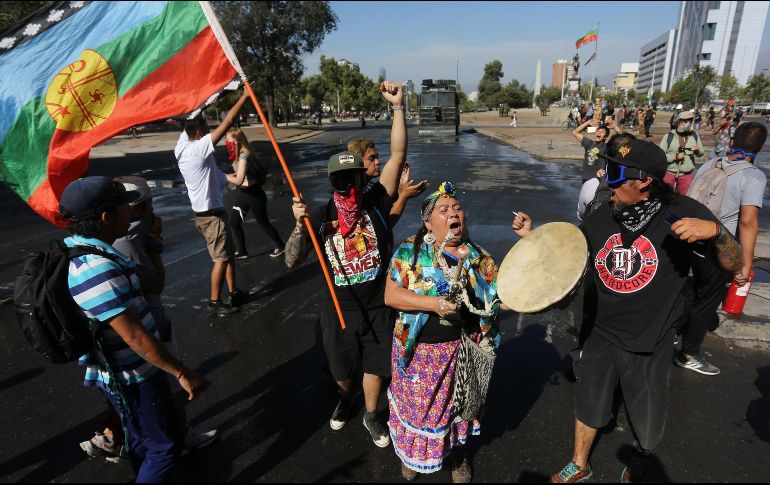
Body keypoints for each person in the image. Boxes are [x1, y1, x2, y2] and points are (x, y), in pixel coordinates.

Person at [544, 139, 743, 483]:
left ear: (645, 180)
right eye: (607, 167)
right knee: (589, 401)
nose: (608, 177)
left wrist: (716, 232)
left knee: (646, 416)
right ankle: (579, 463)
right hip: (600, 331)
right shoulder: (602, 212)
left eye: (617, 172)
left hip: (651, 336)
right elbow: (573, 262)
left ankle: (640, 457)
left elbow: (735, 262)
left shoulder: (684, 212)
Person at [59, 176, 208, 483]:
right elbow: (136, 337)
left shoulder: (92, 251)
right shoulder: (97, 268)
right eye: (124, 208)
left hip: (124, 374)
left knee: (141, 440)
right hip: (134, 378)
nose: (132, 212)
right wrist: (181, 372)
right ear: (105, 217)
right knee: (166, 447)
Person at [285, 80, 407, 448]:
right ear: (332, 182)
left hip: (377, 304)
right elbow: (292, 260)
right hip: (337, 308)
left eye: (352, 177)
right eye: (339, 179)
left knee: (375, 365)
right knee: (341, 371)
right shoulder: (319, 217)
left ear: (359, 177)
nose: (347, 184)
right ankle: (344, 398)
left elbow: (397, 156)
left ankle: (371, 414)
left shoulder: (375, 200)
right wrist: (297, 225)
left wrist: (398, 108)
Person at [384, 181, 513, 482]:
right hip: (419, 354)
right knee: (418, 409)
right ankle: (413, 454)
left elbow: (499, 299)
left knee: (458, 409)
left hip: (461, 352)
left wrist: (529, 255)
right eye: (443, 210)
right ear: (429, 223)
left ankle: (456, 455)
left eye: (457, 208)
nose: (453, 213)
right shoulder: (411, 252)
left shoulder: (481, 258)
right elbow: (391, 295)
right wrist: (434, 304)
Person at [676, 122, 768, 376]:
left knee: (691, 291)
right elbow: (748, 222)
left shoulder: (710, 164)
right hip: (717, 244)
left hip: (689, 237)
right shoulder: (753, 175)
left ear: (732, 141)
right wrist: (745, 263)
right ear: (759, 148)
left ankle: (674, 332)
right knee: (707, 300)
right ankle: (689, 354)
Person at [174, 89, 249, 317]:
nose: (209, 133)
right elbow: (227, 121)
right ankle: (215, 302)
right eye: (206, 131)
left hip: (208, 214)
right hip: (211, 217)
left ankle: (234, 291)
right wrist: (244, 96)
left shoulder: (182, 147)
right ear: (198, 135)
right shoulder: (197, 151)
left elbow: (237, 180)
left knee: (228, 255)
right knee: (221, 259)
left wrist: (214, 96)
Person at [225, 128, 285, 259]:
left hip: (254, 195)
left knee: (264, 223)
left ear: (237, 141)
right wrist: (232, 175)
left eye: (228, 139)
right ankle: (242, 251)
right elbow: (243, 176)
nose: (226, 142)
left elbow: (239, 180)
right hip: (244, 194)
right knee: (234, 222)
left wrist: (222, 176)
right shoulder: (238, 154)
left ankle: (281, 246)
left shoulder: (244, 156)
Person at [347, 137, 427, 225]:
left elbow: (385, 213)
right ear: (358, 161)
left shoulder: (369, 186)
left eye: (377, 157)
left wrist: (401, 192)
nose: (377, 162)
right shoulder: (352, 193)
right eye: (371, 158)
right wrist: (404, 196)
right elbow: (384, 223)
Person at [659, 110, 704, 195]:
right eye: (686, 121)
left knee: (685, 200)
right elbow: (660, 156)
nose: (689, 123)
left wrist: (697, 150)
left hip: (686, 175)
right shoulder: (669, 136)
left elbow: (701, 153)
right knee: (665, 197)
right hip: (669, 173)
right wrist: (674, 157)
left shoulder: (694, 135)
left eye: (690, 121)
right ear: (679, 121)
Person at [572, 118, 610, 183]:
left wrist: (615, 126)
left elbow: (623, 141)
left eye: (602, 132)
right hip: (585, 179)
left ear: (605, 137)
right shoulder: (589, 143)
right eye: (598, 131)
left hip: (598, 179)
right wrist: (588, 122)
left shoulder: (606, 146)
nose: (599, 133)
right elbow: (575, 132)